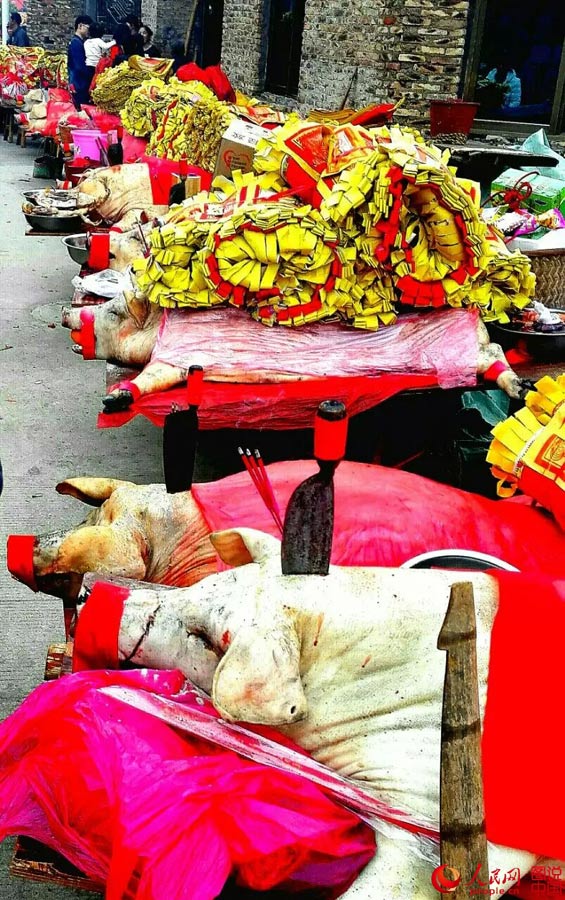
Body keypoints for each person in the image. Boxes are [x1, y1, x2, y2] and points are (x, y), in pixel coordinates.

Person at [68, 15, 93, 108]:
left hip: (79, 83)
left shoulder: (79, 42)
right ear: (80, 26)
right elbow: (79, 66)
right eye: (88, 28)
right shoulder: (76, 43)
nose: (89, 32)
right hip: (79, 84)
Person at [84, 22, 115, 90]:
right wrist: (114, 41)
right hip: (96, 66)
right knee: (95, 84)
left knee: (89, 83)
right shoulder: (98, 40)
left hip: (87, 65)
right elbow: (106, 46)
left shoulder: (86, 42)